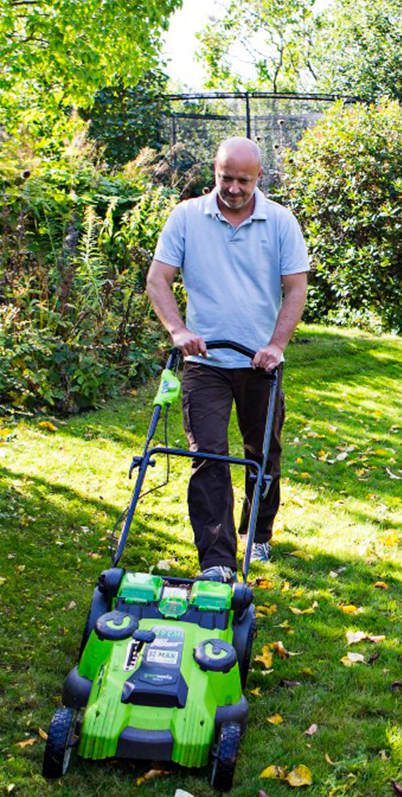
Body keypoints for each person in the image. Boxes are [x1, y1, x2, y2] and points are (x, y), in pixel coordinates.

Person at [145, 137, 310, 583]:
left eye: (243, 180)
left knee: (263, 454)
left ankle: (258, 534)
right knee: (209, 456)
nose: (234, 188)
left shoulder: (279, 222)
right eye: (225, 178)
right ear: (213, 172)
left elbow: (296, 288)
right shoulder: (186, 217)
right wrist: (179, 331)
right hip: (205, 362)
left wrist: (276, 345)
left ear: (259, 178)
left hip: (261, 364)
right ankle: (217, 560)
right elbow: (158, 280)